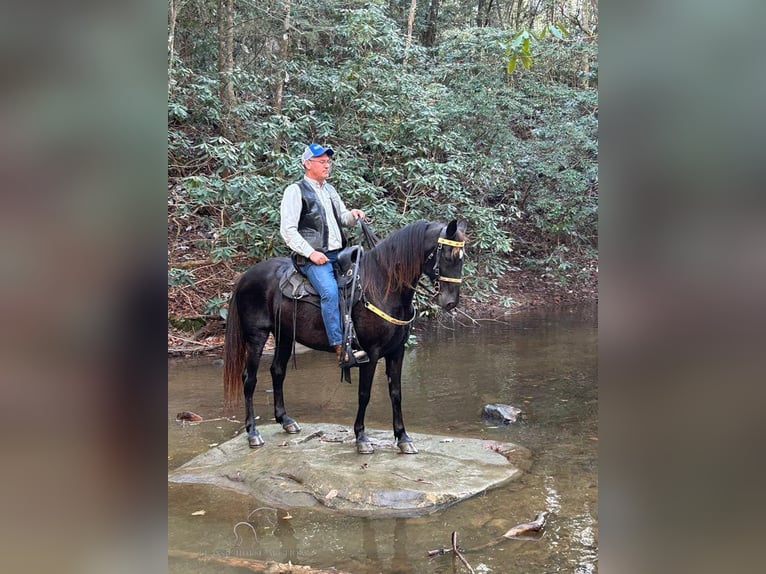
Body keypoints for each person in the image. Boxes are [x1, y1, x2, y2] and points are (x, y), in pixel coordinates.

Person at [280, 143, 368, 364]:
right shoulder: (295, 191)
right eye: (322, 161)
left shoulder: (329, 189)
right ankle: (340, 347)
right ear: (308, 164)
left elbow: (343, 218)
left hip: (338, 254)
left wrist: (353, 214)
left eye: (328, 161)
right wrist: (311, 254)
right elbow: (288, 230)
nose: (327, 165)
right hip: (313, 258)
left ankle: (362, 336)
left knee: (363, 283)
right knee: (329, 291)